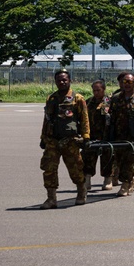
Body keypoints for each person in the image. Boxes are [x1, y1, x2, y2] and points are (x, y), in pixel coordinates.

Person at [39, 68, 90, 209]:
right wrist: (43, 137)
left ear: (69, 81)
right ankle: (51, 199)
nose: (62, 82)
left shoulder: (78, 98)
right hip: (52, 140)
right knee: (49, 169)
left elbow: (84, 119)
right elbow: (47, 119)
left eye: (64, 80)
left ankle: (81, 192)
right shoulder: (51, 99)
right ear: (55, 82)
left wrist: (85, 137)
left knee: (76, 169)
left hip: (70, 141)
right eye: (59, 80)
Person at [107, 72, 134, 197]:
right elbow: (110, 117)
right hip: (118, 135)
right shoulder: (115, 98)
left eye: (130, 82)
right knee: (119, 161)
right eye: (125, 82)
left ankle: (125, 184)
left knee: (130, 160)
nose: (127, 84)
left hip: (133, 136)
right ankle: (130, 180)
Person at [83, 79, 117, 191]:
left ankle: (108, 180)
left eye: (98, 90)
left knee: (108, 158)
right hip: (92, 136)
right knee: (88, 158)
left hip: (106, 136)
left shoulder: (110, 102)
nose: (96, 92)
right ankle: (87, 180)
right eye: (94, 90)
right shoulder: (88, 102)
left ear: (104, 89)